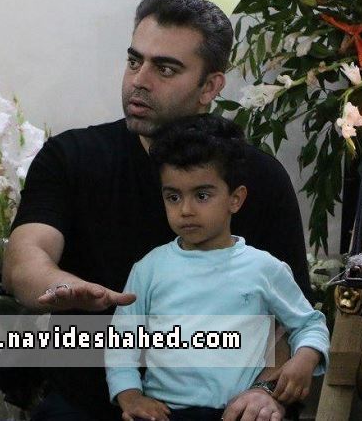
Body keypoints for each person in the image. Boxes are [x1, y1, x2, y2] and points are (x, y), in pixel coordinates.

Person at [2, 0, 311, 420]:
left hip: (217, 409)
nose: (139, 80)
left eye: (165, 69)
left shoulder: (257, 177)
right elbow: (24, 259)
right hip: (86, 402)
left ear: (210, 87)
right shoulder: (73, 157)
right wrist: (61, 286)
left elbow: (291, 323)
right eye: (134, 61)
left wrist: (266, 392)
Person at [105, 114, 329, 421]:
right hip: (164, 413)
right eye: (173, 197)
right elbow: (121, 340)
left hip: (238, 412)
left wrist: (305, 358)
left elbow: (309, 325)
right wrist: (130, 397)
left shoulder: (264, 268)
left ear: (235, 199)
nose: (185, 209)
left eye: (202, 195)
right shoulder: (149, 269)